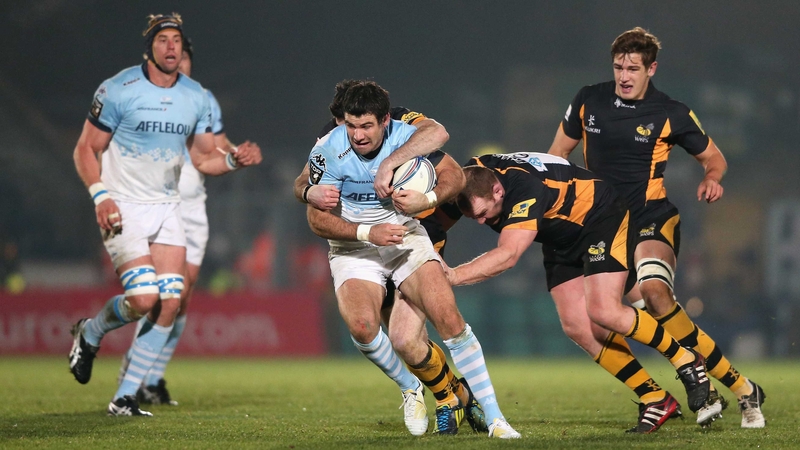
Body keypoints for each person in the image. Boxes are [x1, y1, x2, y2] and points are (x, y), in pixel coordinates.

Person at [547, 27, 765, 428]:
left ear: (652, 69)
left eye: (633, 68)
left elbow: (714, 158)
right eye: (618, 67)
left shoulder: (671, 112)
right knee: (606, 320)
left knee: (654, 294)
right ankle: (740, 387)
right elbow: (558, 154)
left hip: (651, 219)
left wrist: (712, 178)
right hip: (603, 226)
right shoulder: (588, 99)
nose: (624, 76)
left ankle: (707, 382)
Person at [69, 13, 261, 416]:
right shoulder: (118, 88)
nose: (171, 46)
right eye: (163, 40)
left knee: (170, 302)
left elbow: (202, 158)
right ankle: (91, 331)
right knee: (144, 299)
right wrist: (100, 196)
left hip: (167, 207)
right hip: (123, 205)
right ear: (150, 48)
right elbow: (86, 148)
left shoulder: (196, 96)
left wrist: (233, 160)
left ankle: (125, 396)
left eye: (176, 39)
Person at [305, 80, 520, 438]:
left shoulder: (408, 135)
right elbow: (313, 212)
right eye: (349, 125)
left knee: (440, 321)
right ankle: (416, 388)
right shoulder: (328, 147)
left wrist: (427, 198)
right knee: (366, 328)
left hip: (407, 237)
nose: (356, 134)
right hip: (355, 246)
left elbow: (450, 165)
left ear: (384, 120)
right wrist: (357, 225)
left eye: (365, 125)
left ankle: (493, 418)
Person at [444, 152, 711, 433]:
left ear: (498, 190)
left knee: (604, 311)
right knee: (577, 326)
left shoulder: (525, 189)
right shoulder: (475, 174)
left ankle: (687, 359)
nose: (481, 222)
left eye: (482, 214)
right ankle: (654, 397)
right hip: (560, 234)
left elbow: (508, 255)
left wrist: (452, 275)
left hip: (600, 216)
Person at [116, 36, 261, 406]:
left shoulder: (202, 100)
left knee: (182, 296)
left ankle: (153, 377)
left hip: (194, 205)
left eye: (183, 58)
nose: (177, 63)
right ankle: (135, 373)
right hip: (160, 204)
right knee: (167, 292)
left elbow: (217, 143)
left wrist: (237, 153)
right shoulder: (142, 98)